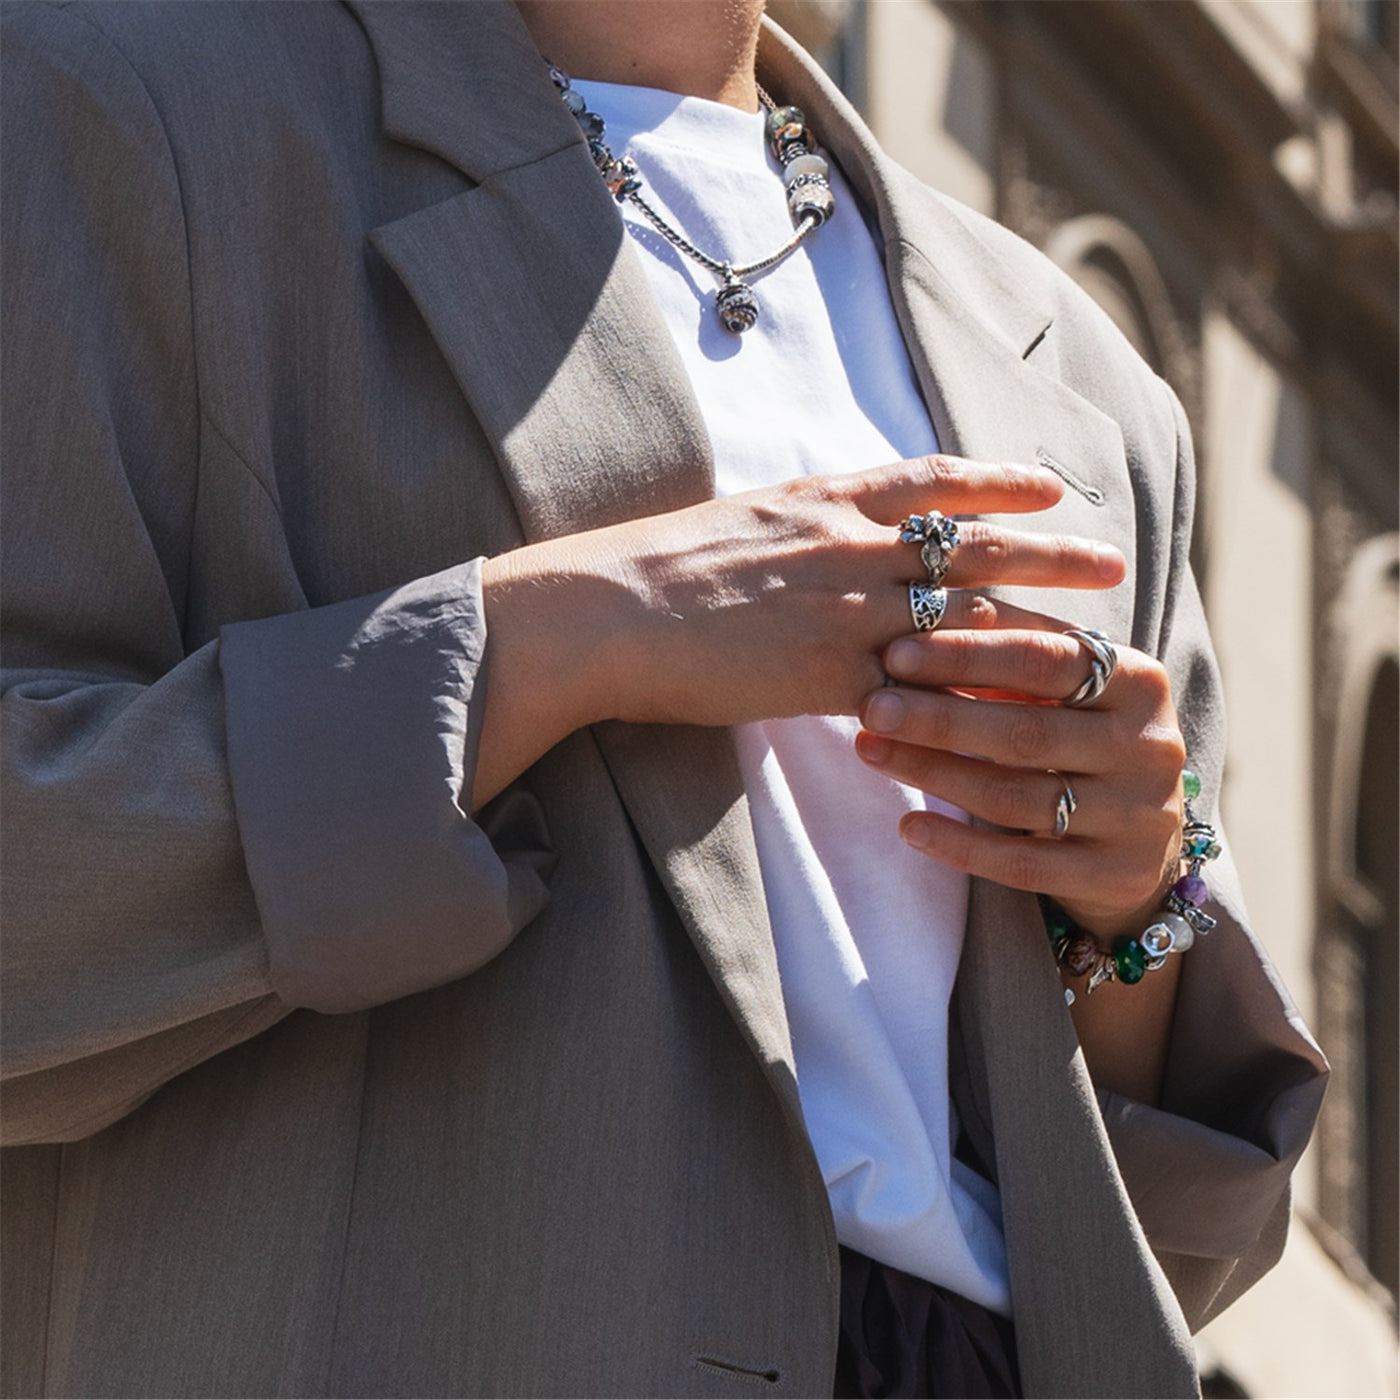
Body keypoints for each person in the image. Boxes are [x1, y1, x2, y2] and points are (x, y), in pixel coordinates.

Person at [0, 1, 1326, 1396]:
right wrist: (557, 640)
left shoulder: (1080, 379)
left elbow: (1177, 1239)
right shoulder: (115, 103)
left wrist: (1130, 904)